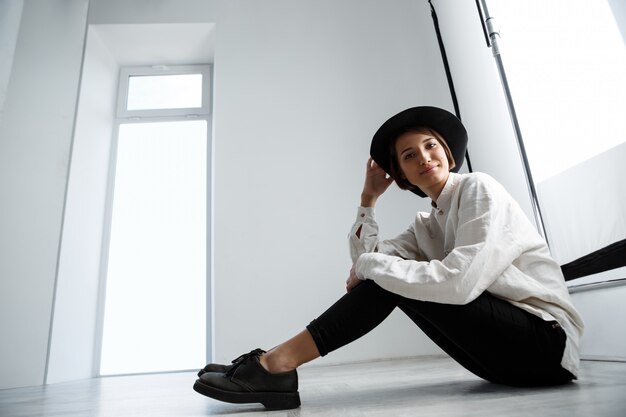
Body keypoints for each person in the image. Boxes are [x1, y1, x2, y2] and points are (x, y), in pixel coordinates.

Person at [192, 106, 585, 411]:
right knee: (387, 274)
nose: (425, 158)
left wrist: (370, 268)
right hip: (499, 364)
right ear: (402, 176)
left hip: (546, 346)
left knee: (389, 276)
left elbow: (461, 282)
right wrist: (368, 200)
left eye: (431, 146)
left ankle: (275, 366)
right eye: (410, 156)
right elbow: (365, 262)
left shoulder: (479, 188)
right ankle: (275, 366)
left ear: (447, 152)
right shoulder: (426, 224)